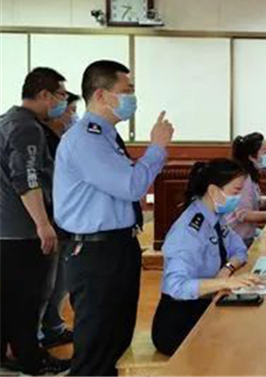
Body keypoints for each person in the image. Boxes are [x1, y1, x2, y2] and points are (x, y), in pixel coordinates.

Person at [54, 60, 174, 376]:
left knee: (116, 342)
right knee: (96, 348)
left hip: (117, 246)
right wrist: (157, 147)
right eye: (126, 90)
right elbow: (131, 185)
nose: (132, 98)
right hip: (96, 253)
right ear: (101, 95)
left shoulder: (106, 136)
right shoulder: (86, 138)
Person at [0, 67, 71, 375]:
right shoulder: (27, 128)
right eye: (61, 96)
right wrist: (43, 224)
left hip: (7, 230)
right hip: (22, 231)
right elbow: (26, 178)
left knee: (9, 299)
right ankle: (31, 361)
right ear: (44, 95)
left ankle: (11, 354)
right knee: (27, 301)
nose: (64, 103)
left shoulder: (7, 121)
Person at [151, 159, 262, 356]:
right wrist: (223, 283)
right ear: (213, 191)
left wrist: (227, 269)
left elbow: (239, 250)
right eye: (236, 191)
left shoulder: (215, 218)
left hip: (205, 304)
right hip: (179, 323)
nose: (238, 198)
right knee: (246, 342)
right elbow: (176, 287)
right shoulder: (188, 231)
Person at [38, 90, 81, 349]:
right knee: (47, 283)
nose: (74, 117)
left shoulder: (63, 141)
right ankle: (38, 337)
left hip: (65, 221)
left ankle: (53, 326)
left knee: (60, 280)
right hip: (49, 221)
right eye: (71, 110)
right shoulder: (41, 140)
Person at [229, 132, 266, 247]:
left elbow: (254, 200)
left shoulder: (250, 175)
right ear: (251, 156)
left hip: (245, 234)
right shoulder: (244, 180)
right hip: (238, 238)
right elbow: (244, 214)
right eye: (264, 151)